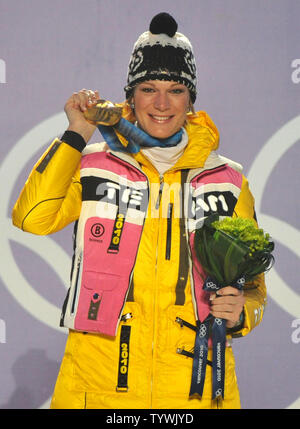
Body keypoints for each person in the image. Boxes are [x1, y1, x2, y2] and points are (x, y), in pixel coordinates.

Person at [12, 12, 266, 409]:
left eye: (176, 89)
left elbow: (255, 289)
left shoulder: (227, 180)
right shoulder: (94, 163)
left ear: (191, 99)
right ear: (131, 96)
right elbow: (31, 219)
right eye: (149, 88)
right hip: (96, 390)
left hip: (193, 395)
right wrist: (77, 133)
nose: (161, 103)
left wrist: (241, 312)